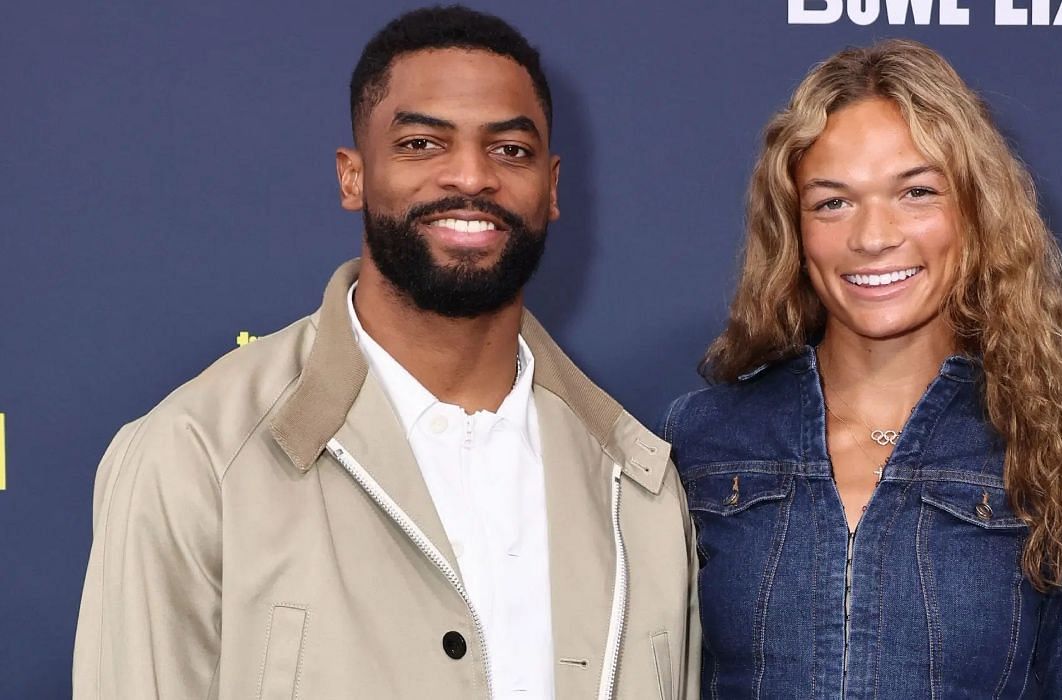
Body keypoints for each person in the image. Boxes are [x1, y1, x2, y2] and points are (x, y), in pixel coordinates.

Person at [74, 7, 698, 699]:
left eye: (510, 150)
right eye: (422, 144)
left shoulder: (638, 484)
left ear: (551, 189)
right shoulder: (196, 456)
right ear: (353, 177)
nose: (471, 176)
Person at [660, 39, 1062, 699]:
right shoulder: (703, 438)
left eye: (915, 192)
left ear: (973, 214)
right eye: (833, 202)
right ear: (794, 229)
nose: (872, 236)